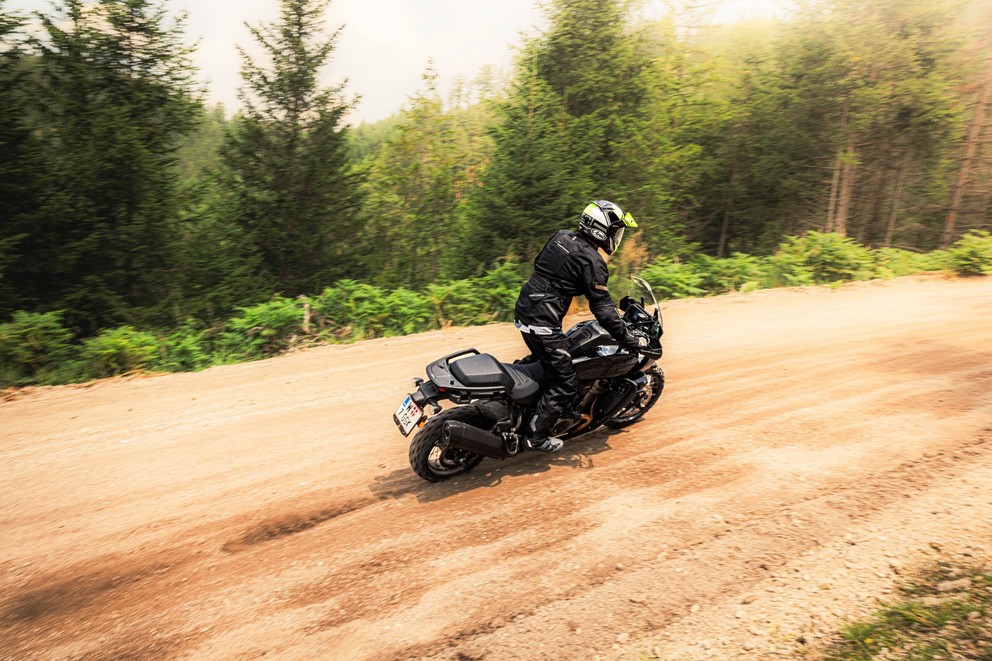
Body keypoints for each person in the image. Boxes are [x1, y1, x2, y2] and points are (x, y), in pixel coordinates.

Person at [514, 199, 647, 452]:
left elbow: (542, 266)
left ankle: (522, 402)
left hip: (525, 310)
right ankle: (536, 435)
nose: (616, 237)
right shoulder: (593, 262)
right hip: (543, 322)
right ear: (601, 229)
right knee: (565, 379)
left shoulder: (560, 237)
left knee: (545, 361)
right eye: (615, 230)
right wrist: (628, 339)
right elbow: (604, 310)